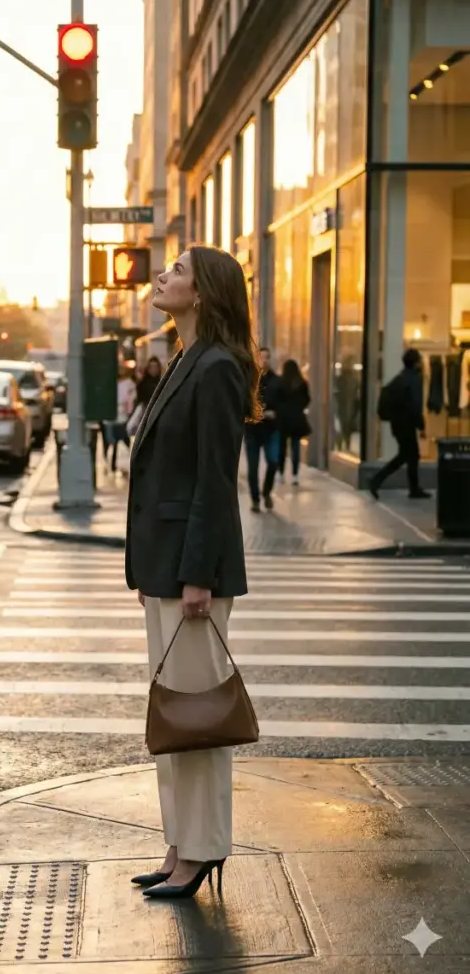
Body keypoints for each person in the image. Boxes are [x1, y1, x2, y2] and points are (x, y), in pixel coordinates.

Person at [125, 245, 261, 901]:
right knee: (172, 716)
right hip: (164, 566)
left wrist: (196, 575)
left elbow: (214, 480)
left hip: (191, 574)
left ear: (202, 292)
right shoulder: (183, 359)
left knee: (197, 719)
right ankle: (179, 844)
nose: (161, 276)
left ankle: (200, 851)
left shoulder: (215, 368)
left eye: (176, 270)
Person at [368, 348, 430, 500]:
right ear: (416, 363)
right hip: (407, 423)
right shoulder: (415, 379)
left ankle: (381, 481)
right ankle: (379, 481)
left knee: (407, 455)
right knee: (409, 455)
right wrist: (421, 426)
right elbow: (416, 405)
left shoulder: (400, 377)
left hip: (397, 423)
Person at [243, 347, 280, 512]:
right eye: (261, 357)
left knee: (273, 462)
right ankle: (255, 499)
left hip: (270, 430)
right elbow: (243, 403)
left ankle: (266, 492)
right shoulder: (249, 380)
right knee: (253, 468)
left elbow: (282, 403)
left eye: (267, 357)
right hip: (252, 430)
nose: (264, 361)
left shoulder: (277, 381)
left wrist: (275, 412)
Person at [276, 359, 311, 486]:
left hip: (283, 418)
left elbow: (276, 400)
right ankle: (295, 475)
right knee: (295, 447)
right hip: (297, 418)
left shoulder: (280, 383)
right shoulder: (302, 383)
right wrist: (299, 408)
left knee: (282, 447)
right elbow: (307, 399)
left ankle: (281, 473)